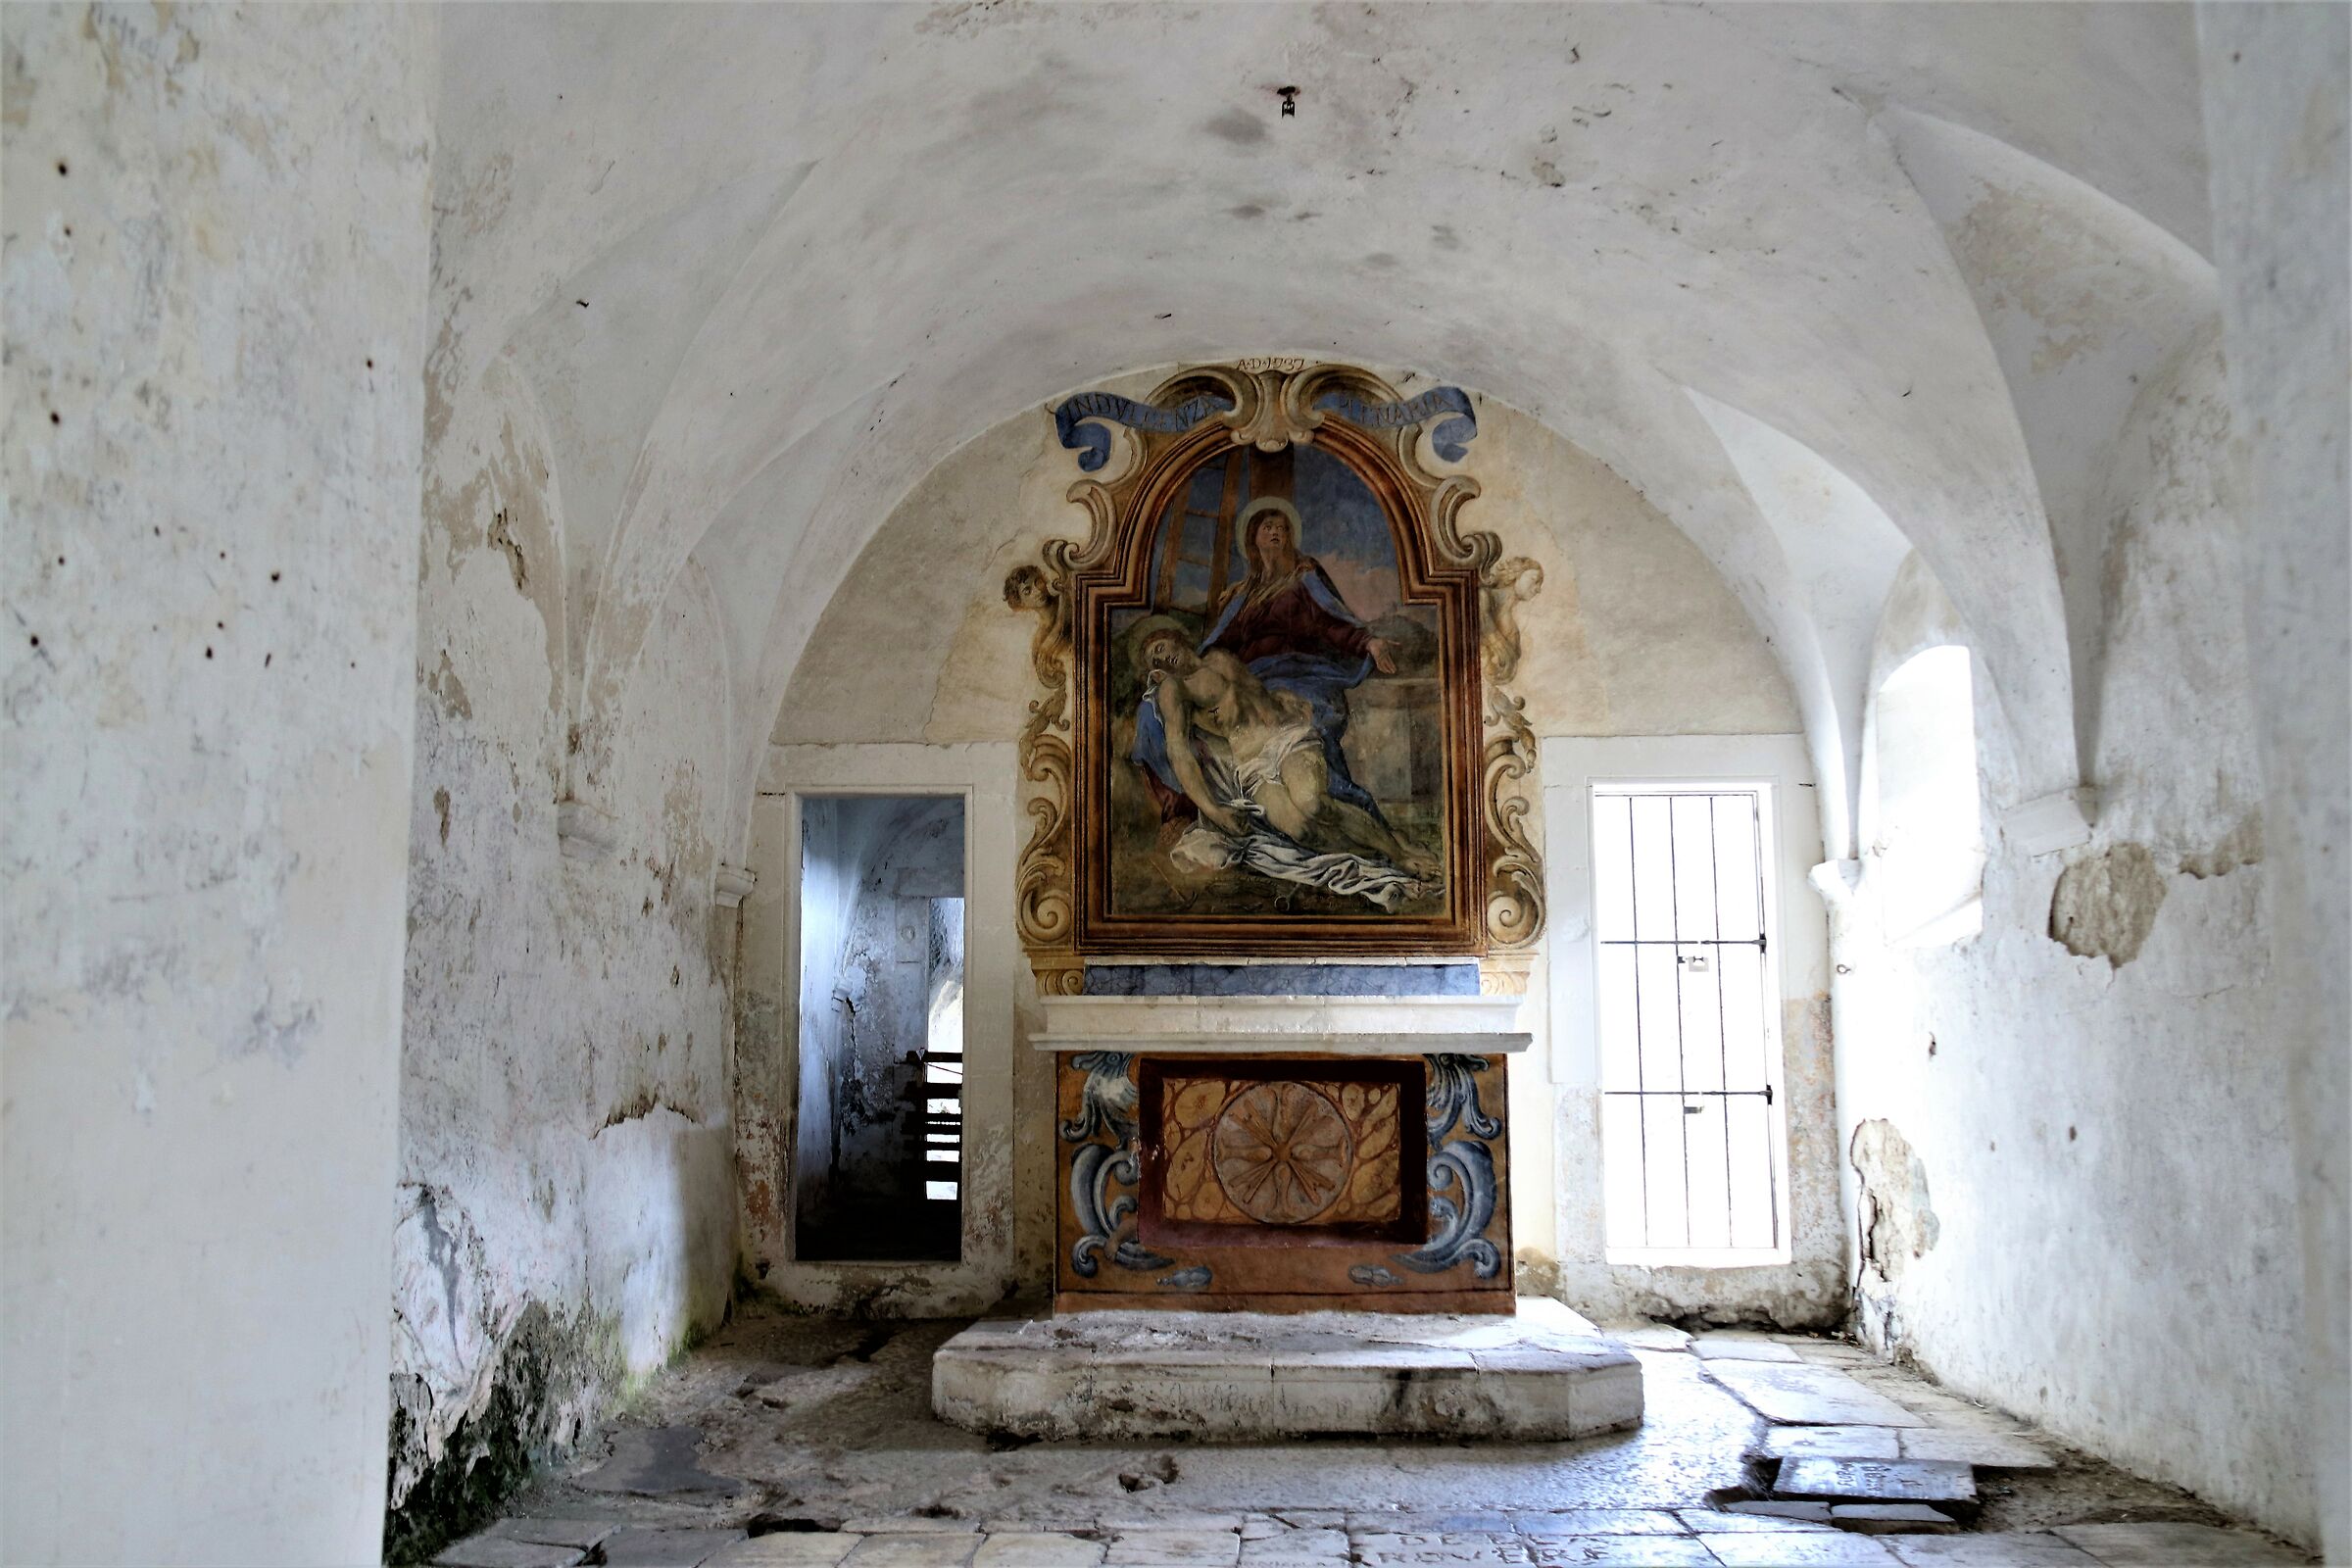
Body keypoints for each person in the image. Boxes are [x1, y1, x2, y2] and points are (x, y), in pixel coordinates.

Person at [1136, 628, 1436, 911]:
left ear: (1176, 638)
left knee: (1314, 804)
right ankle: (1383, 857)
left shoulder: (1220, 657)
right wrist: (1214, 812)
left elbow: (1256, 694)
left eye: (1160, 648)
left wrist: (1282, 696)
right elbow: (1179, 753)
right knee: (1301, 830)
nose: (1161, 659)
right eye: (1155, 661)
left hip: (1286, 738)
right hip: (1252, 766)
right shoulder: (1173, 689)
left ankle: (1401, 856)